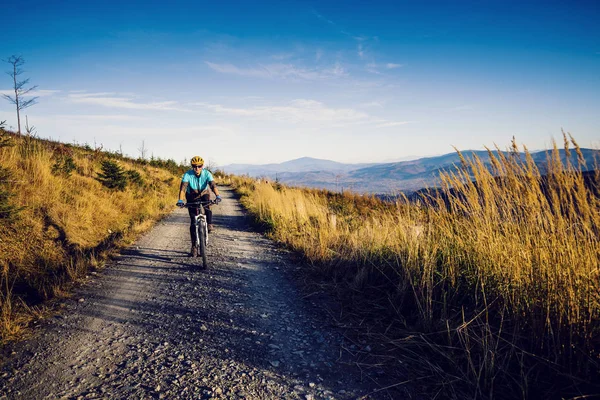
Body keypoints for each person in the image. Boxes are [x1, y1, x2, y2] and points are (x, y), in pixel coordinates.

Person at [176, 156, 221, 256]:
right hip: (191, 195)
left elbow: (213, 185)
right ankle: (194, 246)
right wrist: (180, 200)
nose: (197, 168)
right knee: (193, 221)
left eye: (199, 166)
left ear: (202, 166)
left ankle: (209, 224)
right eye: (195, 166)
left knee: (207, 205)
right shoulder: (187, 174)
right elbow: (183, 188)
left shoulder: (206, 173)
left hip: (204, 193)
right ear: (192, 166)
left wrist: (217, 195)